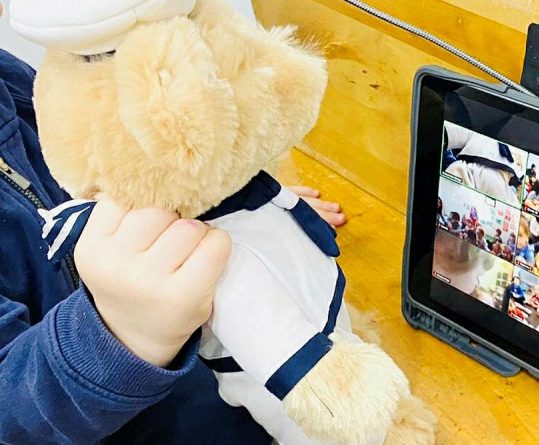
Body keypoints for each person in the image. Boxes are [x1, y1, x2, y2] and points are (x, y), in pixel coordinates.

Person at [0, 42, 346, 443]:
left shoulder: (13, 78)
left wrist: (225, 203)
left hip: (220, 384)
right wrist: (120, 333)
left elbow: (97, 172)